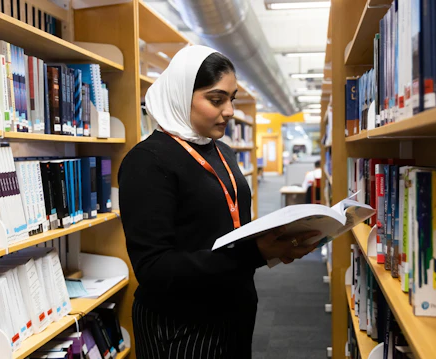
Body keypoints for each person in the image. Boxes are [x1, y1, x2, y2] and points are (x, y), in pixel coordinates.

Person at [118, 45, 320, 359]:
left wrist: (276, 242)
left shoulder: (221, 150)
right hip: (181, 326)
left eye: (232, 98)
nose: (229, 111)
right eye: (216, 99)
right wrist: (255, 252)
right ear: (182, 95)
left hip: (233, 311)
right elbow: (154, 269)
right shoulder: (146, 162)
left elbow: (227, 227)